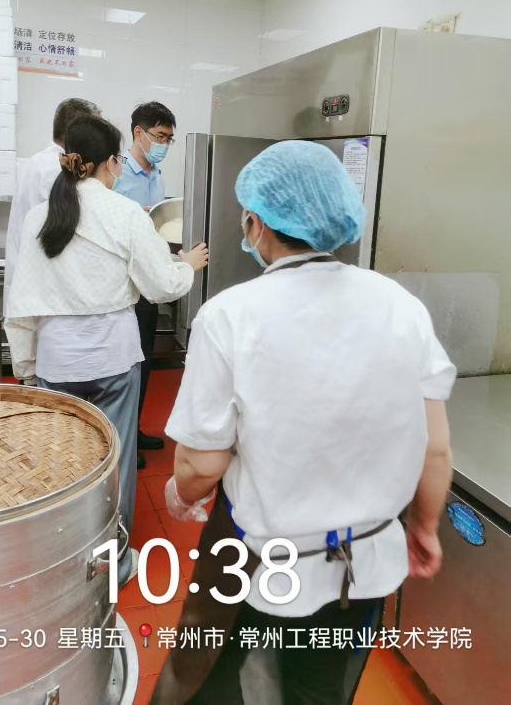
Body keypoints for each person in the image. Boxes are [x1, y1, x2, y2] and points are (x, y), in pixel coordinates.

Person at [151, 140, 456, 705]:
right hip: (363, 566)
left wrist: (180, 493)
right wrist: (425, 526)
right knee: (319, 691)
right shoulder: (401, 306)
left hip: (262, 566)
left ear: (257, 224)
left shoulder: (230, 315)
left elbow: (201, 464)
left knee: (224, 681)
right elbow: (434, 448)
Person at [5, 115, 208, 588]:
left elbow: (23, 301)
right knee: (114, 462)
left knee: (63, 459)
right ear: (111, 162)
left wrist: (26, 367)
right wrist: (187, 266)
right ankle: (112, 563)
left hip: (57, 359)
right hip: (113, 359)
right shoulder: (125, 213)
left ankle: (60, 559)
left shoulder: (42, 216)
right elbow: (162, 286)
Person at [114, 101, 177, 469]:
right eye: (159, 136)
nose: (164, 144)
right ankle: (120, 439)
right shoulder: (117, 172)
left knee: (145, 359)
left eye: (169, 139)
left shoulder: (157, 175)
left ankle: (134, 430)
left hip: (149, 280)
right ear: (138, 133)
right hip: (124, 283)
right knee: (126, 365)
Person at [3, 97, 101, 317]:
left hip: (32, 282)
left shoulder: (38, 161)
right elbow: (69, 231)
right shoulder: (58, 171)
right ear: (78, 132)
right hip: (44, 288)